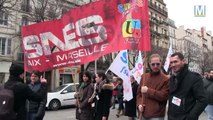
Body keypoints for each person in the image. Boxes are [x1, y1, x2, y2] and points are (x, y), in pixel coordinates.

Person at [168, 52, 208, 120]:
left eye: (175, 61)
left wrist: (191, 117)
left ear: (183, 61)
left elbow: (203, 100)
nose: (173, 65)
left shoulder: (194, 78)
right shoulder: (172, 78)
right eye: (171, 62)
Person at [137, 53, 169, 120]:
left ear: (161, 64)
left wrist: (148, 90)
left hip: (157, 115)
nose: (155, 66)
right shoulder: (144, 77)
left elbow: (164, 96)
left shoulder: (166, 79)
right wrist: (139, 104)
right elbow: (139, 94)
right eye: (153, 64)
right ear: (149, 64)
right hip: (143, 113)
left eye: (157, 64)